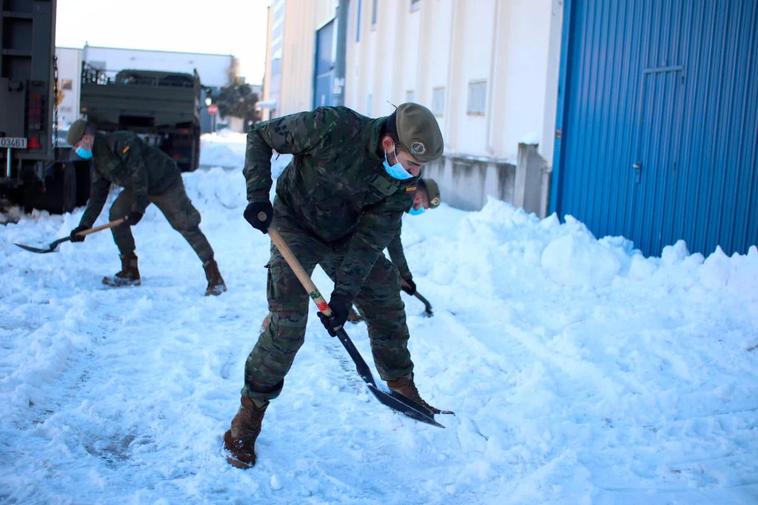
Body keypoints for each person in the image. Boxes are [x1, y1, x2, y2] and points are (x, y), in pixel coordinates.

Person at [224, 103, 444, 468]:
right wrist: (257, 195)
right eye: (410, 164)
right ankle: (246, 421)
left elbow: (371, 240)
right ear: (389, 143)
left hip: (346, 235)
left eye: (420, 168)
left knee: (384, 297)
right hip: (294, 226)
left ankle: (401, 384)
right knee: (288, 327)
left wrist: (343, 296)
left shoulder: (400, 184)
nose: (414, 175)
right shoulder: (333, 127)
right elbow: (261, 136)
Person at [66, 119, 226, 296]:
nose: (77, 150)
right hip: (139, 187)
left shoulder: (120, 142)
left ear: (87, 138)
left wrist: (138, 209)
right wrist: (84, 226)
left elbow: (139, 175)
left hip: (164, 181)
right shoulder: (98, 160)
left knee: (184, 223)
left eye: (77, 145)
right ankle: (130, 270)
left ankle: (214, 277)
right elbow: (97, 195)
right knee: (117, 214)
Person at [347, 177, 441, 322]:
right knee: (363, 270)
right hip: (347, 225)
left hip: (357, 233)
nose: (416, 205)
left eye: (420, 206)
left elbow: (394, 242)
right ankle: (351, 309)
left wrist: (405, 275)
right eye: (418, 199)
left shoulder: (397, 210)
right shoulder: (394, 191)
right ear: (414, 187)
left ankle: (348, 307)